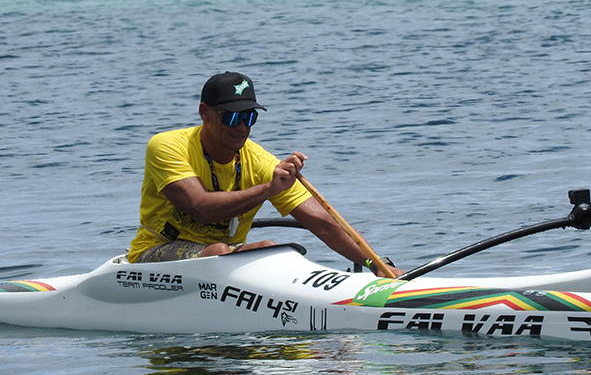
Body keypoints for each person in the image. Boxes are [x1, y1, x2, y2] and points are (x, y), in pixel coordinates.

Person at [127, 71, 403, 277]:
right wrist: (270, 189)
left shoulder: (260, 162)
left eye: (250, 117)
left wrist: (377, 265)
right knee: (222, 251)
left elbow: (323, 222)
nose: (242, 127)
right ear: (204, 112)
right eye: (233, 117)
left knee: (268, 249)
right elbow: (201, 209)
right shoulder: (167, 146)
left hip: (226, 266)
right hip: (153, 257)